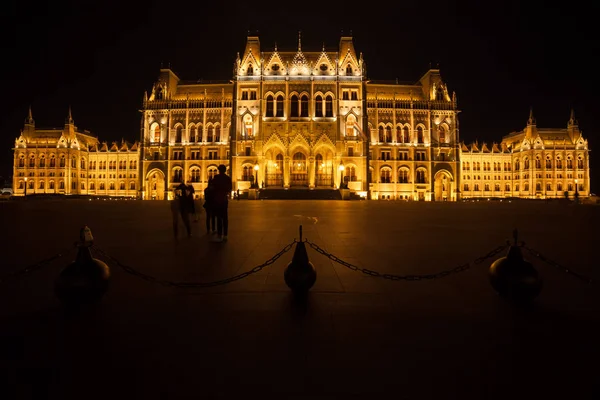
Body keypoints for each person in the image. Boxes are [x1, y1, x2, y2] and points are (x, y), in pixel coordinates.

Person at [211, 164, 232, 242]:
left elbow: (212, 188)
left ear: (219, 170)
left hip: (217, 199)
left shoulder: (216, 178)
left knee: (219, 217)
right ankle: (225, 235)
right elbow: (229, 188)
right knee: (225, 217)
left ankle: (219, 235)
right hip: (224, 199)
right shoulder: (227, 178)